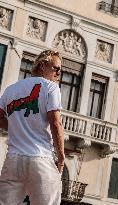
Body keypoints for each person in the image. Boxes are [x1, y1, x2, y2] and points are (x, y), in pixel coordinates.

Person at [0, 50, 65, 205]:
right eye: (56, 68)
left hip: (13, 160)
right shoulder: (50, 87)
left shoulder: (11, 90)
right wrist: (61, 155)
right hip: (40, 158)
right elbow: (56, 123)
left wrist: (14, 127)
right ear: (42, 65)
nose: (59, 73)